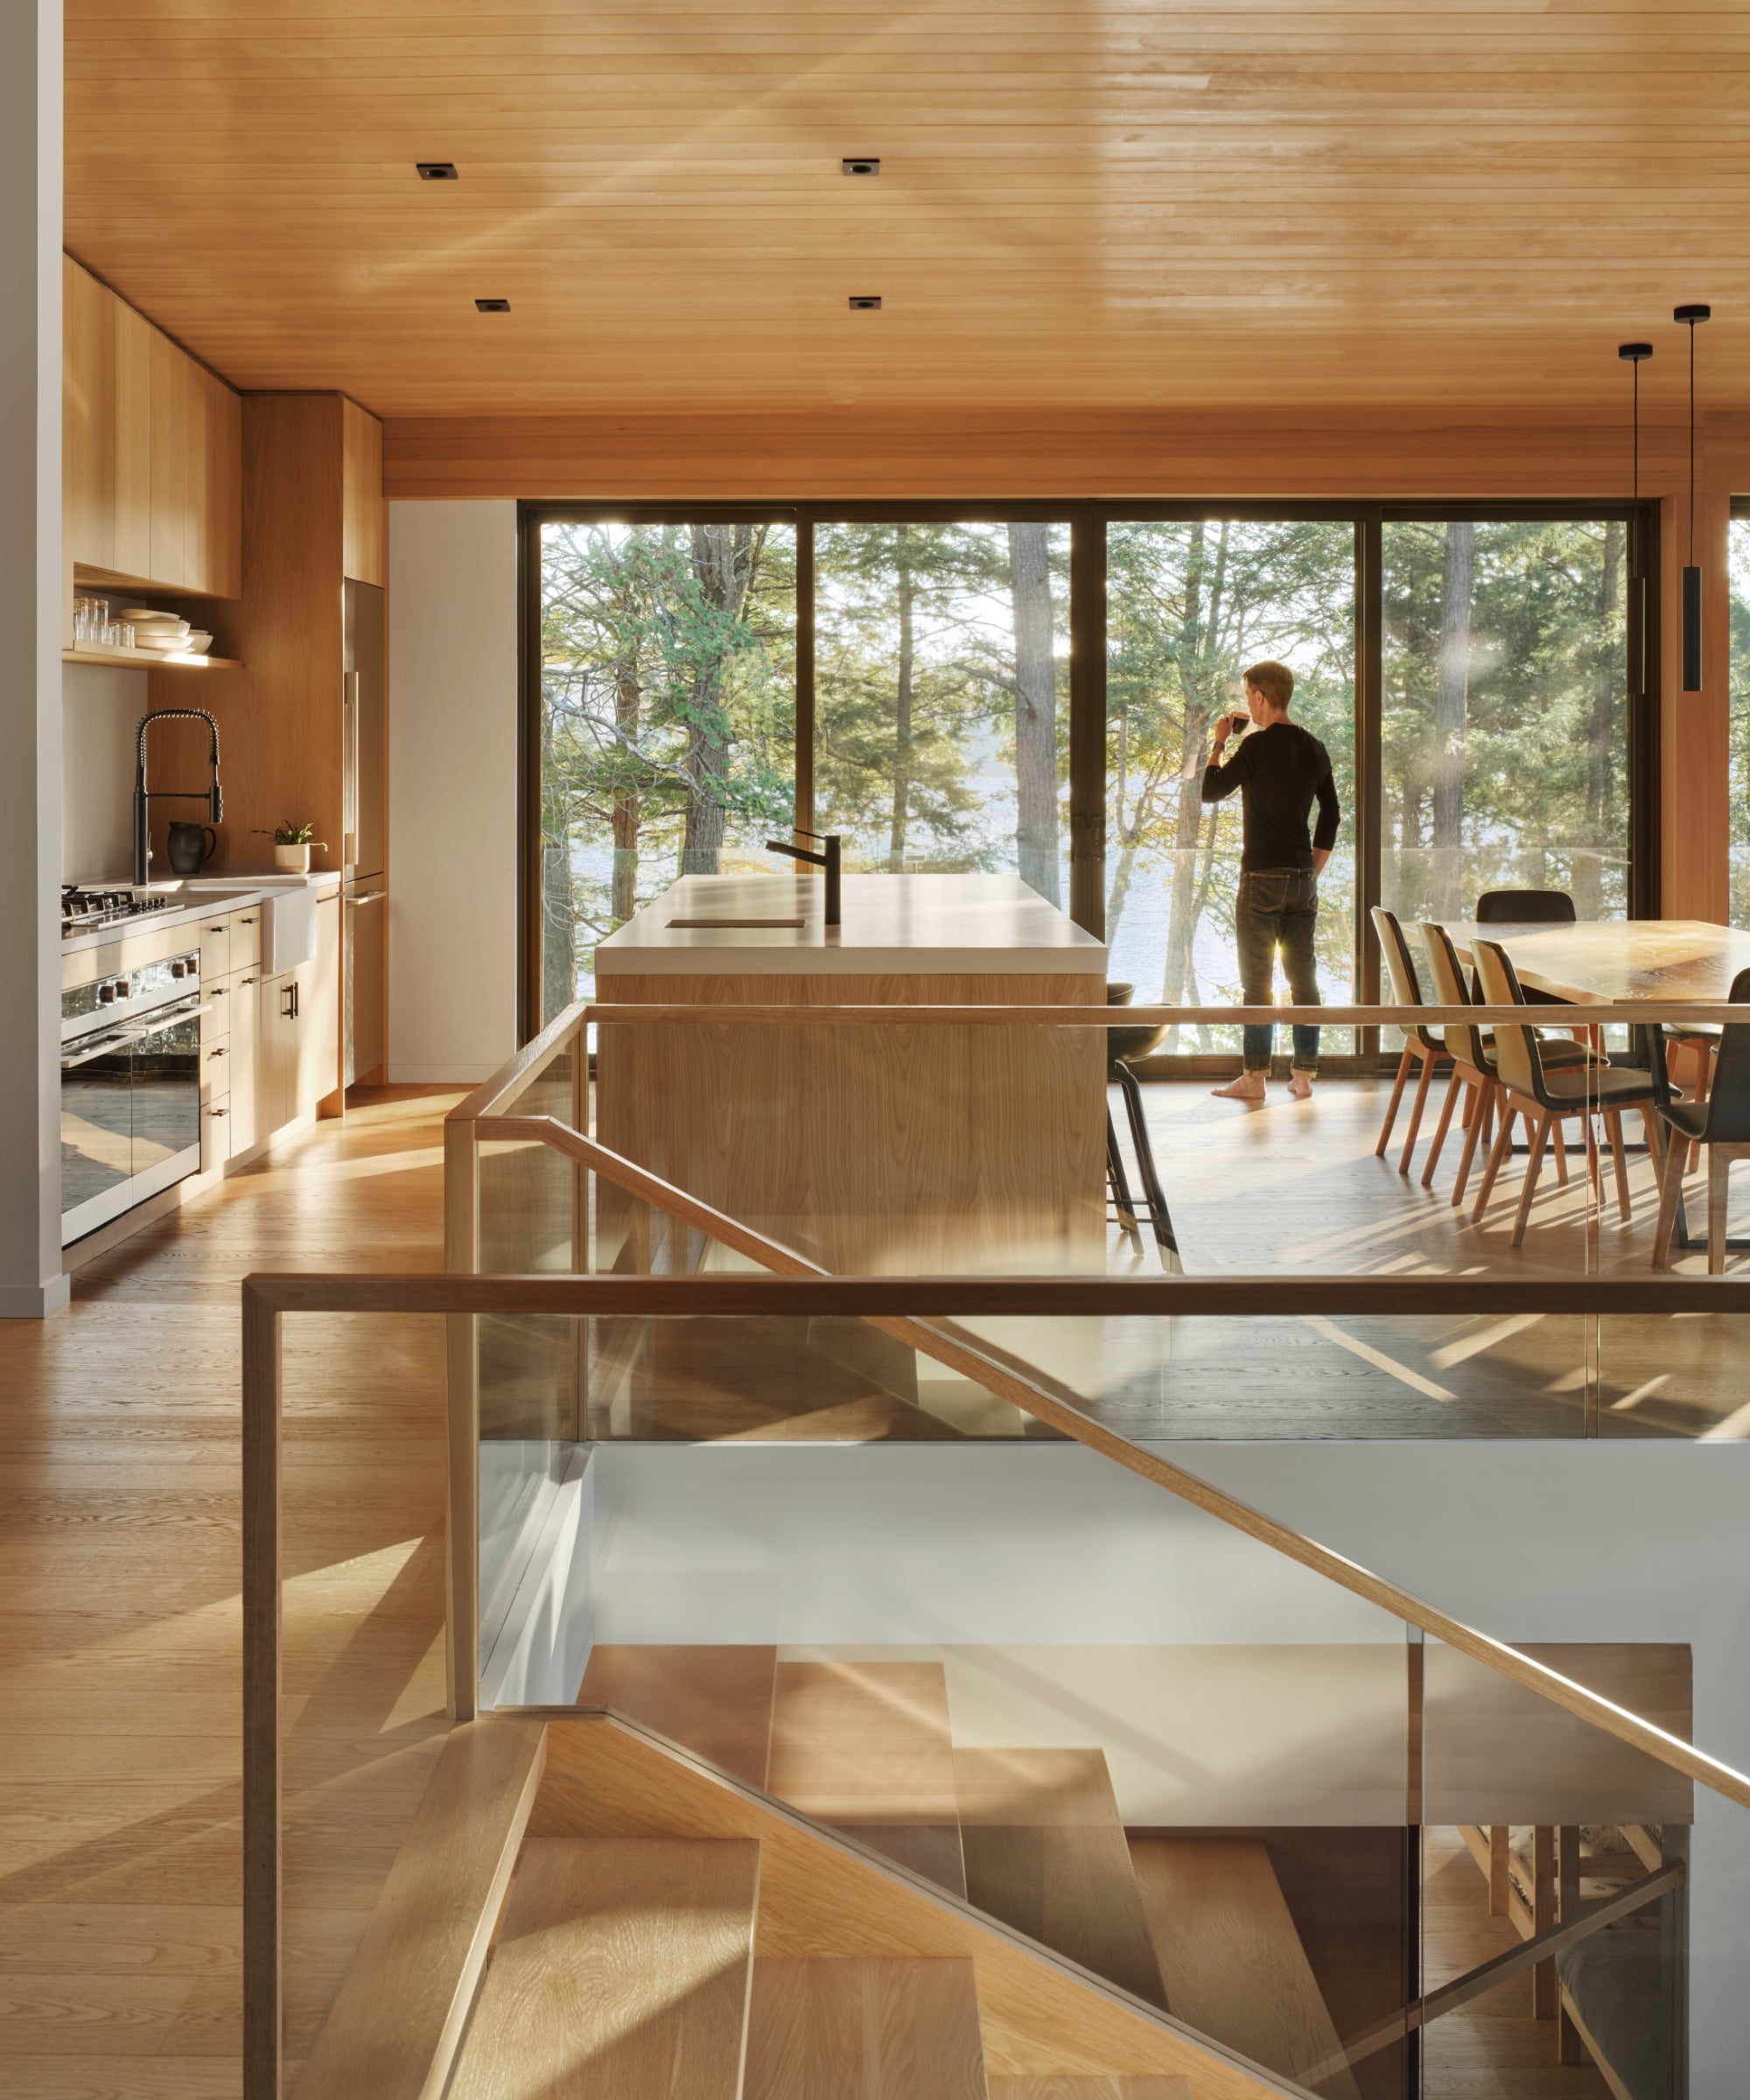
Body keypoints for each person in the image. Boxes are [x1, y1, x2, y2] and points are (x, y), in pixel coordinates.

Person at [1199, 660, 1340, 1103]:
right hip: (1301, 877)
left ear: (1260, 695)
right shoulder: (1315, 747)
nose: (1248, 705)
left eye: (1248, 697)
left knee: (1257, 982)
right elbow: (1332, 814)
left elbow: (1211, 790)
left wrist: (1220, 743)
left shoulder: (1256, 747)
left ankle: (1255, 1079)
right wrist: (1312, 869)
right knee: (1304, 979)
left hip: (1260, 876)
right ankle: (1302, 1077)